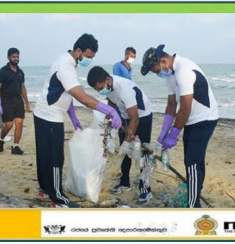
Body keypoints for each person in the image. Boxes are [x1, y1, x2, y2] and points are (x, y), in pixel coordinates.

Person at [33, 34, 122, 208]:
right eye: (88, 57)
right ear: (78, 51)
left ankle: (44, 189)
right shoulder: (66, 66)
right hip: (51, 116)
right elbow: (82, 97)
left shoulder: (66, 62)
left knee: (44, 155)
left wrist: (73, 116)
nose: (89, 60)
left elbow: (66, 93)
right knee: (55, 158)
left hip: (43, 113)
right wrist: (109, 110)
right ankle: (58, 199)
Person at [141, 44, 218, 208]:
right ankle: (194, 194)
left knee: (192, 162)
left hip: (204, 119)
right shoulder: (169, 75)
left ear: (163, 61)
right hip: (191, 119)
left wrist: (174, 133)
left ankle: (193, 205)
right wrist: (164, 131)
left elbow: (184, 108)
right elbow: (171, 105)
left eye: (156, 70)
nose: (157, 74)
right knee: (193, 160)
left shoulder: (184, 72)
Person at [87, 66, 154, 204]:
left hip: (142, 116)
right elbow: (111, 102)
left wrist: (127, 142)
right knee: (123, 152)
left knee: (142, 151)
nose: (100, 91)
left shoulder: (125, 90)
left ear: (108, 80)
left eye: (101, 88)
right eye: (97, 90)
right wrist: (107, 121)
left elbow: (135, 118)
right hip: (125, 115)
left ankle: (145, 188)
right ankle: (124, 182)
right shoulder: (108, 86)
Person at [0, 47, 30, 155]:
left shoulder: (20, 72)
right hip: (6, 100)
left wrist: (27, 103)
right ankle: (1, 140)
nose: (16, 59)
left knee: (19, 123)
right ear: (8, 57)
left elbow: (22, 87)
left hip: (18, 100)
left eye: (17, 57)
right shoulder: (2, 72)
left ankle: (15, 146)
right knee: (9, 124)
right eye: (13, 57)